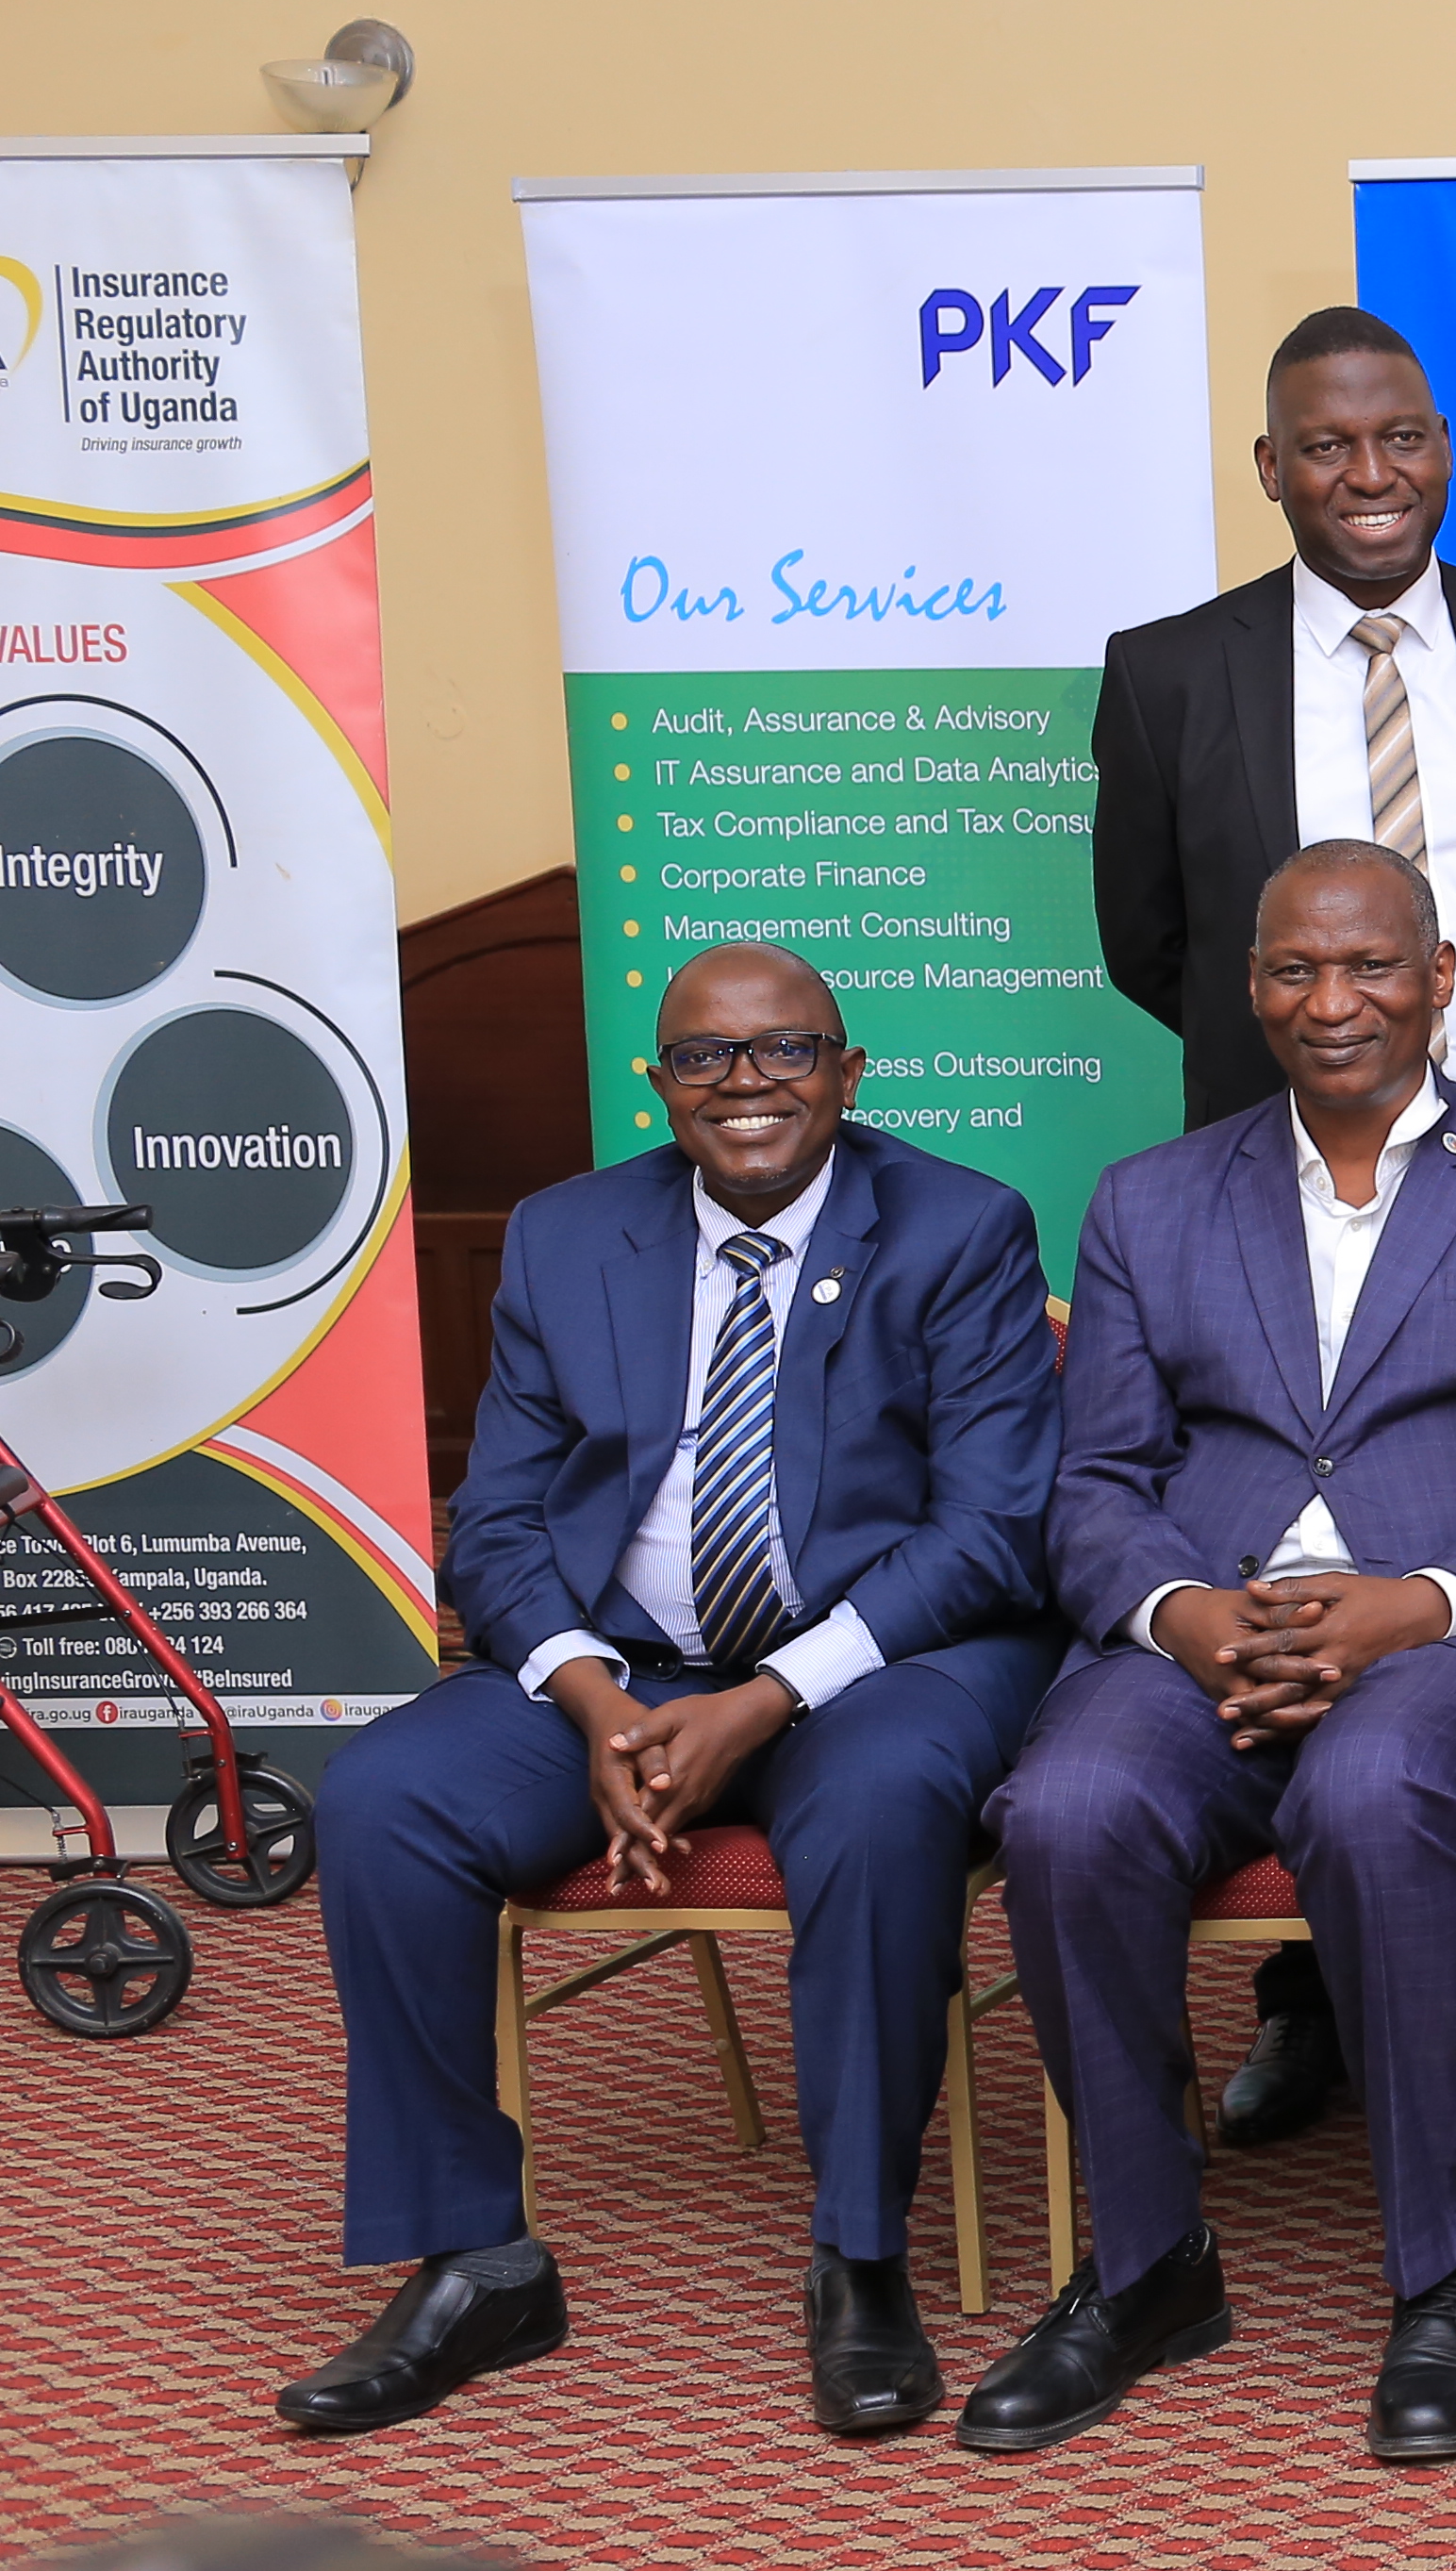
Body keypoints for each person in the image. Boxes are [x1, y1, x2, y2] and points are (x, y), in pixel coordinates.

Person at [281, 944, 1061, 2441]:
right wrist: (592, 1704)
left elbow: (992, 1529)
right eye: (706, 1060)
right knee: (386, 1797)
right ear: (659, 1084)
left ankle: (861, 2252)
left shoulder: (959, 1226)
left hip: (887, 1655)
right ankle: (478, 2257)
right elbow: (496, 1524)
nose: (746, 1086)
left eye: (784, 1054)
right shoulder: (569, 1235)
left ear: (847, 1071)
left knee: (884, 1806)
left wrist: (765, 1699)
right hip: (629, 1664)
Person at [964, 842, 1456, 2463]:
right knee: (1063, 1807)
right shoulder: (1149, 1198)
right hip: (1210, 1627)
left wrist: (1418, 1601)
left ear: (1437, 981)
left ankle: (1444, 2273)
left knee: (1371, 1786)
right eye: (1292, 969)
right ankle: (1145, 2261)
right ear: (1249, 986)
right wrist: (1182, 1614)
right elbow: (1098, 1479)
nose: (1329, 1000)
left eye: (1367, 967)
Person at [1090, 305, 1456, 2146]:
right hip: (1292, 1164)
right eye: (1326, 447)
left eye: (1400, 438)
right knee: (1300, 1527)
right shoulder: (1169, 672)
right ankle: (1324, 1991)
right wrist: (1329, 1059)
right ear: (1271, 468)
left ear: (1446, 446)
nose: (1368, 475)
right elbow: (1149, 946)